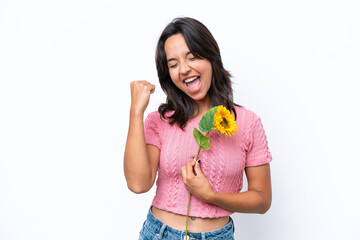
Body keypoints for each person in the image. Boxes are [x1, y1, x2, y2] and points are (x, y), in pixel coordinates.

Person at [124, 17, 272, 240]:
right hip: (159, 233)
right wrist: (136, 111)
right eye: (173, 64)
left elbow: (262, 200)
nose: (184, 69)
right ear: (168, 75)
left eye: (192, 57)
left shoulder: (248, 123)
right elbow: (138, 184)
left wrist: (210, 195)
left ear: (211, 57)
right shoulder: (159, 121)